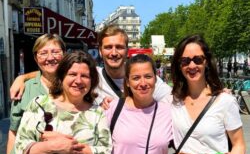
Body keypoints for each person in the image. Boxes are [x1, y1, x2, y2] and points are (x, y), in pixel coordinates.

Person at [14, 51, 112, 154]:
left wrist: (67, 145)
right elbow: (22, 150)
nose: (78, 80)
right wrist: (54, 145)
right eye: (72, 74)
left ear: (92, 80)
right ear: (62, 76)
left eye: (85, 76)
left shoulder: (97, 113)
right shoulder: (39, 105)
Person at [168, 34, 246, 154]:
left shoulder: (224, 101)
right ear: (179, 66)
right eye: (185, 61)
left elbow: (239, 144)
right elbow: (140, 90)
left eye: (197, 59)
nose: (192, 65)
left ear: (206, 62)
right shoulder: (171, 100)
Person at [9, 25, 172, 105]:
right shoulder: (90, 76)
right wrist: (22, 78)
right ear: (100, 51)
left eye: (119, 47)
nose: (114, 52)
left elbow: (173, 100)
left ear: (127, 50)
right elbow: (58, 72)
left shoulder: (143, 79)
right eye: (108, 47)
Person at [100, 54, 173, 154]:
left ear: (156, 78)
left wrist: (216, 93)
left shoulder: (168, 112)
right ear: (127, 81)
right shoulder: (112, 109)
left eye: (148, 76)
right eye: (136, 78)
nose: (143, 83)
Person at [6, 33, 66, 154]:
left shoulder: (76, 85)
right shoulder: (24, 90)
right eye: (43, 53)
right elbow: (14, 132)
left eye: (56, 52)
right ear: (35, 58)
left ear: (64, 54)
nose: (50, 58)